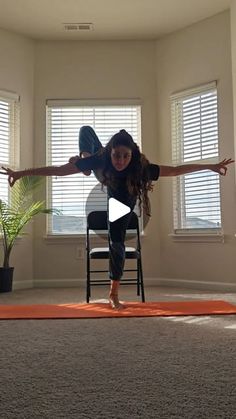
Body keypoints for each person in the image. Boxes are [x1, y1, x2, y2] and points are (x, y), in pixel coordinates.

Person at [1, 126, 234, 309]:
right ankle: (84, 163)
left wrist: (210, 166)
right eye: (116, 155)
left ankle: (113, 293)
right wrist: (21, 173)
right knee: (85, 131)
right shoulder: (102, 159)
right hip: (101, 172)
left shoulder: (140, 167)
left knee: (117, 243)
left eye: (124, 156)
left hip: (123, 200)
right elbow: (60, 171)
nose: (120, 160)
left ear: (131, 155)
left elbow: (174, 170)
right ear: (110, 152)